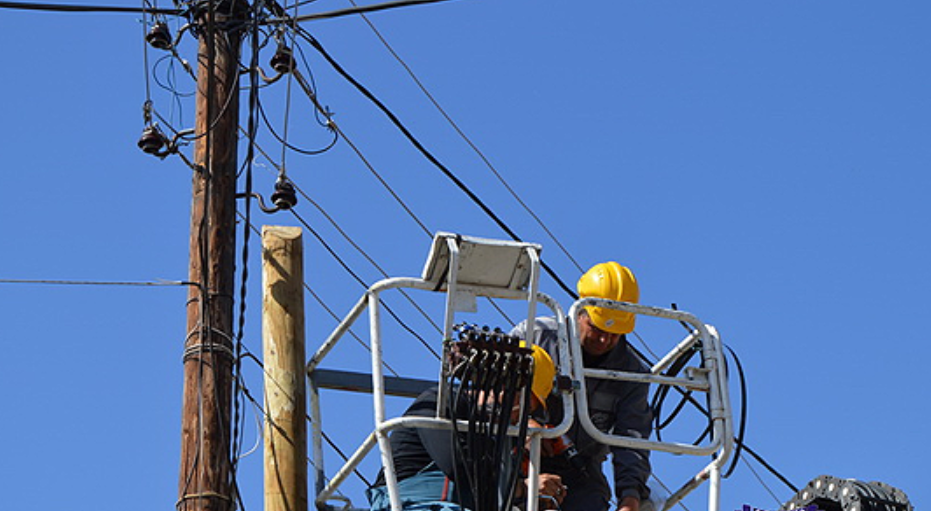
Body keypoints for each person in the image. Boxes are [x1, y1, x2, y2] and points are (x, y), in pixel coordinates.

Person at [510, 262, 652, 511]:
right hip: (516, 457)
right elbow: (492, 398)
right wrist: (527, 426)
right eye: (597, 329)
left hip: (580, 470)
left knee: (591, 501)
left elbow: (632, 440)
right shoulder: (537, 336)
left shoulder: (632, 373)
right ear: (580, 312)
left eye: (615, 334)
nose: (604, 339)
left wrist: (630, 498)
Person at [367, 343, 566, 511]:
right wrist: (523, 488)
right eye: (525, 407)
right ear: (508, 387)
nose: (519, 418)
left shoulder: (502, 441)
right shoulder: (440, 402)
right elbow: (457, 465)